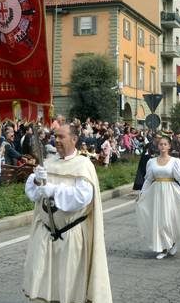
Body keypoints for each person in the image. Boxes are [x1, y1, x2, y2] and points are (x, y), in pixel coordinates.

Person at [23, 124, 112, 303]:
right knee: (43, 281)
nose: (57, 140)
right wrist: (36, 179)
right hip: (46, 232)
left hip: (70, 234)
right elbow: (33, 194)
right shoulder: (48, 162)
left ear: (74, 139)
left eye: (61, 137)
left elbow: (82, 197)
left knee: (68, 283)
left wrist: (54, 190)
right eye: (55, 136)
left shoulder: (83, 165)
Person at [136, 135, 180, 259]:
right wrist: (141, 193)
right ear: (158, 146)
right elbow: (148, 180)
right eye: (160, 144)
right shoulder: (152, 162)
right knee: (159, 220)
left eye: (165, 144)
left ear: (169, 146)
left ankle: (172, 242)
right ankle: (164, 247)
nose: (162, 146)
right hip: (156, 193)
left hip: (171, 193)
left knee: (168, 220)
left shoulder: (175, 161)